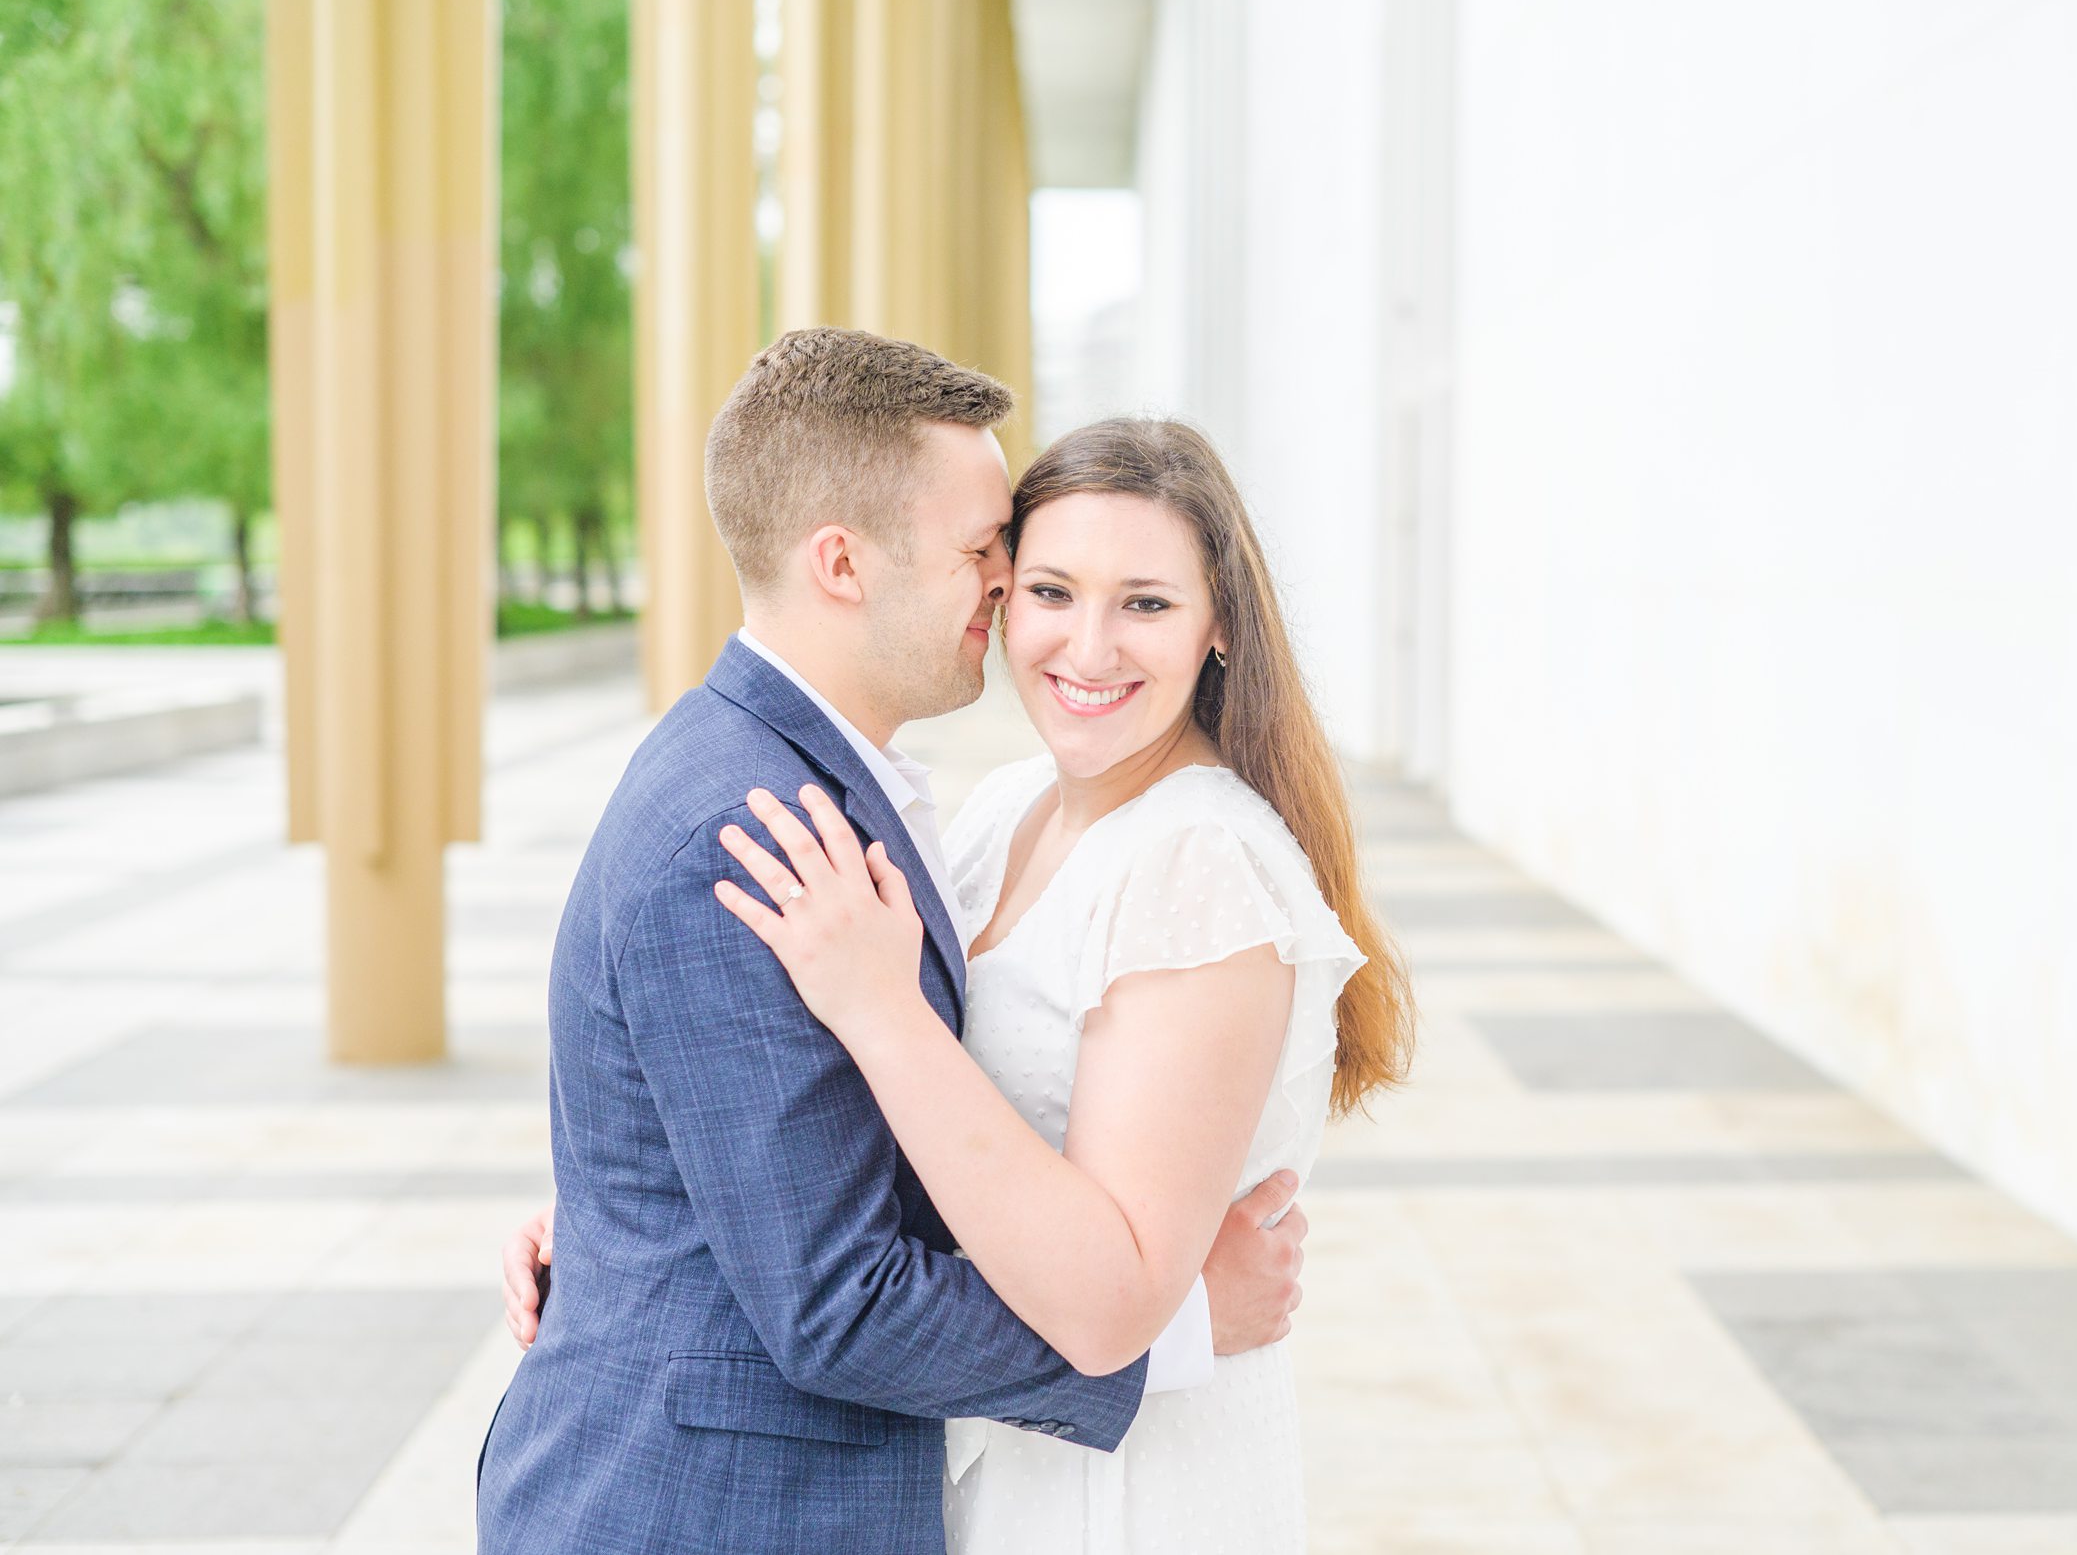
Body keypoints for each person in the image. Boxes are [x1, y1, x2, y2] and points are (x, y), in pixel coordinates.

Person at [477, 330, 1314, 1555]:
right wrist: (628, 1218)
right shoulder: (763, 820)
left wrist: (641, 1212)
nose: (1016, 598)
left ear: (1217, 625)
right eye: (1005, 562)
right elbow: (836, 1302)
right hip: (699, 1511)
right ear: (842, 563)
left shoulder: (855, 793)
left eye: (1143, 601)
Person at [707, 415, 1416, 1551]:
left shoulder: (1200, 859)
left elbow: (1105, 1303)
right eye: (1050, 592)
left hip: (1130, 1497)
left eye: (1145, 602)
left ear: (1219, 622)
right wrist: (658, 1214)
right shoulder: (1005, 811)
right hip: (1008, 1459)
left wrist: (884, 1012)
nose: (1087, 649)